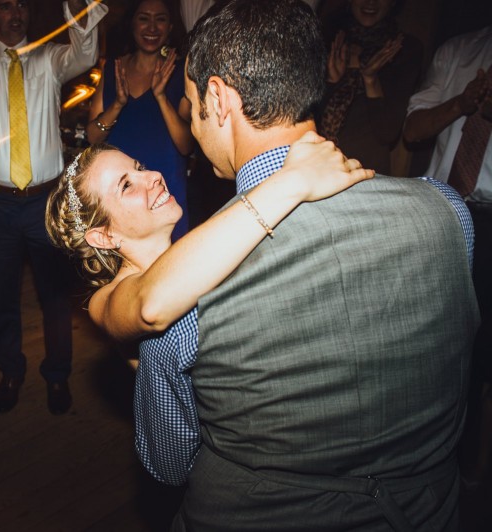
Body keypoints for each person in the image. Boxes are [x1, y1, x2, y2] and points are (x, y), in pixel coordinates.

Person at [176, 1, 476, 528]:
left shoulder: (188, 278)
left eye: (191, 103)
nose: (192, 123)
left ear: (218, 99)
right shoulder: (449, 213)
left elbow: (169, 459)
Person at [46, 135, 374, 482]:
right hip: (228, 472)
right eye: (127, 185)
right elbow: (150, 307)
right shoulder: (106, 302)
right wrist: (293, 181)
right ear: (103, 237)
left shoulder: (207, 250)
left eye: (139, 167)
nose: (153, 175)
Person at [0, 0, 108, 414]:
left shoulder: (50, 58)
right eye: (5, 5)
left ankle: (57, 375)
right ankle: (10, 370)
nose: (16, 11)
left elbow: (86, 53)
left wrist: (75, 10)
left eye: (21, 4)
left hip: (45, 201)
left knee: (55, 295)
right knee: (3, 294)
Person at [404, 24, 492, 488]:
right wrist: (463, 103)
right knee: (427, 342)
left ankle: (474, 473)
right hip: (442, 210)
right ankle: (420, 460)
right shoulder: (459, 49)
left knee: (483, 356)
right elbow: (412, 130)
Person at [87, 0, 193, 241]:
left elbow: (186, 145)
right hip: (121, 197)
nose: (152, 28)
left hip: (165, 193)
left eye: (161, 19)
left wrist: (161, 97)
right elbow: (93, 137)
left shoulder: (182, 72)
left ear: (170, 27)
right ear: (132, 24)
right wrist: (118, 104)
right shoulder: (114, 69)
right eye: (144, 18)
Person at [317, 0, 422, 174]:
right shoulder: (325, 38)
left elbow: (387, 133)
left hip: (364, 175)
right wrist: (332, 83)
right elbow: (301, 119)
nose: (370, 2)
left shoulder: (404, 49)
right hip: (315, 165)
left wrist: (370, 80)